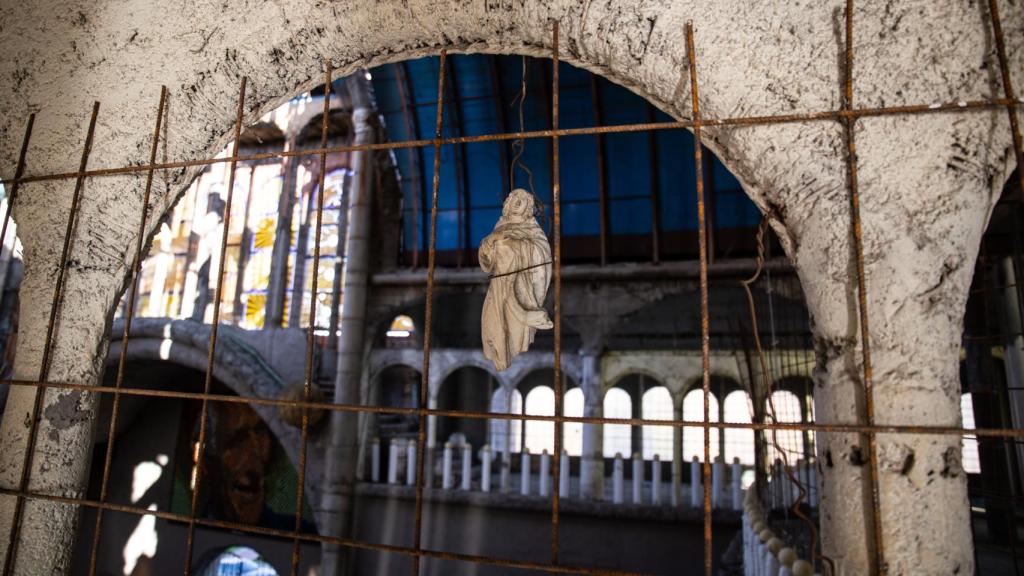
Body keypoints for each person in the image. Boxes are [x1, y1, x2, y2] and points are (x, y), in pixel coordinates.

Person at [479, 188, 552, 371]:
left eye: (522, 200)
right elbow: (486, 259)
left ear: (528, 207)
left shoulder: (532, 230)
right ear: (508, 203)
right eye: (514, 198)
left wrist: (513, 244)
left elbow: (542, 253)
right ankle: (500, 354)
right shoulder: (500, 227)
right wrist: (492, 240)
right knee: (493, 324)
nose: (517, 202)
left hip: (520, 284)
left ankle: (524, 320)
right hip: (498, 284)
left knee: (511, 325)